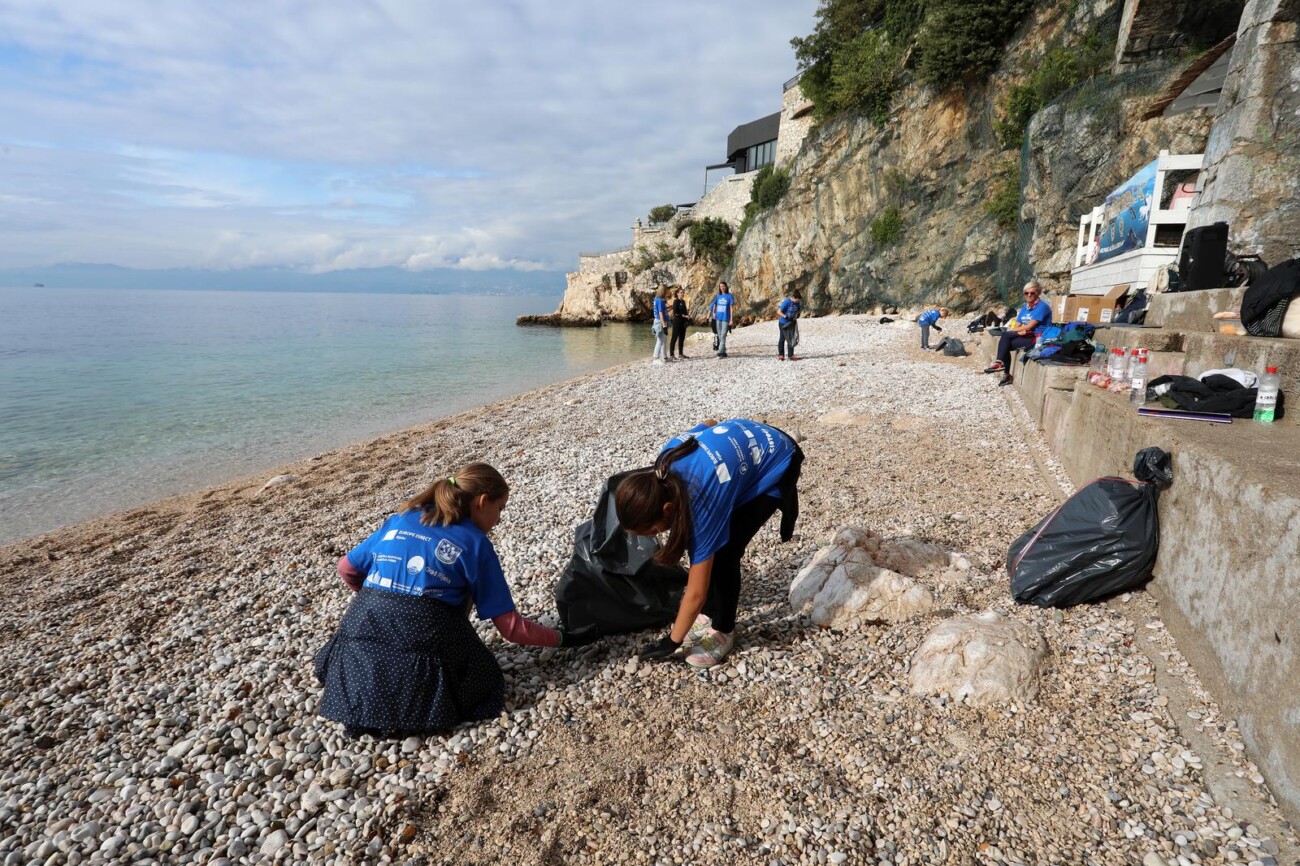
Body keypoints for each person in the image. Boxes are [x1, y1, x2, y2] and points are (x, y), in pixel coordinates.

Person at [315, 463, 596, 739]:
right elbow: (511, 628)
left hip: (361, 631)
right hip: (425, 637)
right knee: (486, 681)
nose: (499, 519)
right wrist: (563, 639)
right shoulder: (475, 544)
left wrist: (384, 600)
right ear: (482, 501)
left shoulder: (403, 518)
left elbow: (347, 569)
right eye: (500, 509)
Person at [615, 419, 804, 668]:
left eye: (651, 530)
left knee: (725, 554)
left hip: (779, 456)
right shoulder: (665, 462)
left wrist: (672, 641)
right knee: (717, 546)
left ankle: (723, 630)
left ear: (668, 509)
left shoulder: (701, 506)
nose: (652, 536)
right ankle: (711, 611)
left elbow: (695, 591)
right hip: (747, 434)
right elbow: (709, 424)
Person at [985, 280, 1051, 386]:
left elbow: (1030, 326)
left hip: (1037, 338)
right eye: (1026, 293)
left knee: (1005, 336)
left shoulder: (1042, 307)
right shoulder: (1025, 308)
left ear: (1038, 293)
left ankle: (1000, 364)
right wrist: (1019, 331)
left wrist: (1019, 330)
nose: (1029, 295)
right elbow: (1017, 326)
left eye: (1032, 293)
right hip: (1026, 335)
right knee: (1006, 343)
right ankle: (1005, 372)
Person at [709, 281, 735, 358]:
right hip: (718, 318)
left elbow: (731, 308)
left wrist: (731, 319)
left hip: (725, 319)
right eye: (721, 286)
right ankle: (723, 352)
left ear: (726, 287)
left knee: (723, 335)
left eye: (723, 286)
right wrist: (712, 315)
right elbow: (714, 305)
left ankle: (720, 352)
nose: (722, 288)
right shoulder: (718, 296)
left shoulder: (729, 296)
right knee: (720, 335)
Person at [777, 289, 802, 360]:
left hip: (791, 323)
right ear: (793, 298)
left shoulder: (797, 303)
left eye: (798, 301)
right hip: (783, 323)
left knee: (791, 338)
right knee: (782, 338)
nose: (797, 302)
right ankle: (781, 355)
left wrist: (795, 317)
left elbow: (798, 311)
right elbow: (778, 312)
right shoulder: (787, 302)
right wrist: (786, 317)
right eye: (797, 300)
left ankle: (791, 355)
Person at [651, 285, 670, 364]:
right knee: (660, 340)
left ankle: (664, 356)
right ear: (663, 291)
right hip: (660, 321)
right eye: (666, 291)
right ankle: (655, 358)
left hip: (659, 320)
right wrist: (664, 326)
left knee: (663, 339)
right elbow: (661, 313)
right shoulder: (660, 301)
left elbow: (663, 310)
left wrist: (670, 307)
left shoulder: (657, 299)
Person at [669, 287, 690, 359]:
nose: (682, 293)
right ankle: (671, 354)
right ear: (677, 294)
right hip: (677, 321)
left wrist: (687, 319)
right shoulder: (676, 301)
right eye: (681, 292)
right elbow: (675, 313)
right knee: (674, 337)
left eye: (683, 292)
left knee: (682, 338)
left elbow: (685, 312)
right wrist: (684, 315)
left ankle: (681, 354)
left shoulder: (683, 302)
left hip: (683, 322)